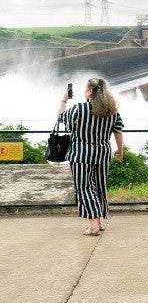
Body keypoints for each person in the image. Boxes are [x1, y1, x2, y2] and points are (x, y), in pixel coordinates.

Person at [58, 77, 124, 236]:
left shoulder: (78, 109)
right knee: (99, 187)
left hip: (81, 155)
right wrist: (120, 151)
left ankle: (93, 225)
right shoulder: (112, 111)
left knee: (85, 188)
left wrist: (64, 99)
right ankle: (99, 222)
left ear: (89, 91)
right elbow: (118, 131)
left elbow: (61, 118)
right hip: (102, 154)